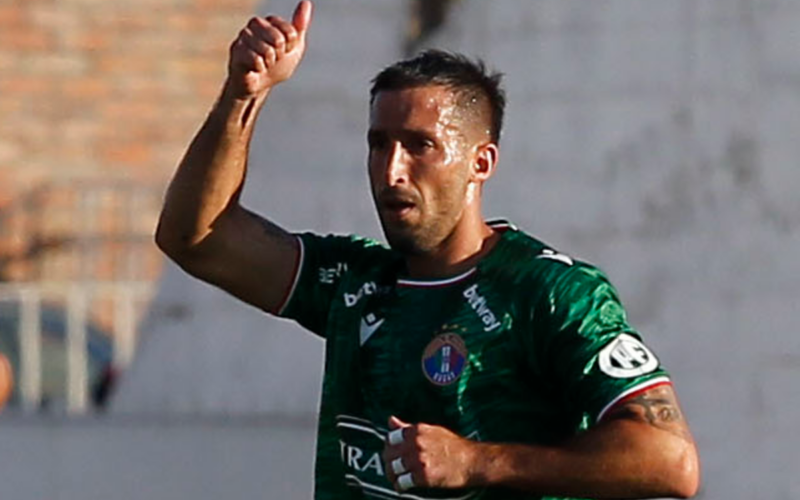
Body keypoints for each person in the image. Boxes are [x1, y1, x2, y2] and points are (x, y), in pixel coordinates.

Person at [155, 1, 700, 498]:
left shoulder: (549, 293)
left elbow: (670, 461)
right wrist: (244, 94)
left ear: (480, 163)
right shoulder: (353, 281)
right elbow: (196, 238)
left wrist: (479, 461)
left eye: (420, 146)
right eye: (378, 144)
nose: (392, 171)